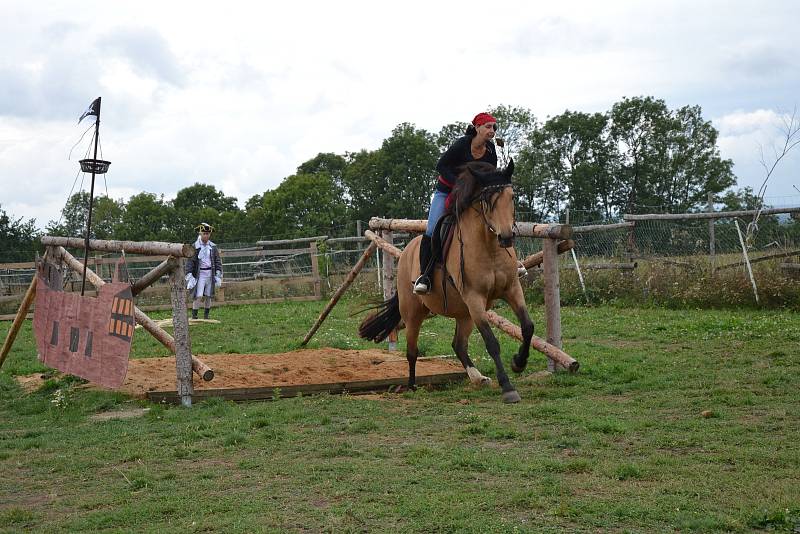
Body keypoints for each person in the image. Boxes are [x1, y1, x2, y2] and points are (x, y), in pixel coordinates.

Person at [414, 112, 523, 294]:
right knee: (432, 229)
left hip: (472, 194)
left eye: (494, 127)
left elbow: (489, 175)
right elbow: (441, 165)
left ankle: (511, 263)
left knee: (494, 221)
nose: (492, 130)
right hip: (446, 190)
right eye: (488, 126)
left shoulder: (490, 150)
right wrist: (458, 183)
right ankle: (424, 275)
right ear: (477, 128)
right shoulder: (462, 144)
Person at [185, 223, 223, 319]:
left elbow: (217, 261)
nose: (206, 235)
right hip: (200, 273)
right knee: (198, 294)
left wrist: (218, 273)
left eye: (208, 234)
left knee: (209, 294)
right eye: (204, 233)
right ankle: (194, 315)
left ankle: (206, 315)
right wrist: (189, 275)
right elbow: (190, 261)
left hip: (210, 273)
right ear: (200, 233)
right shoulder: (195, 246)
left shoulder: (213, 247)